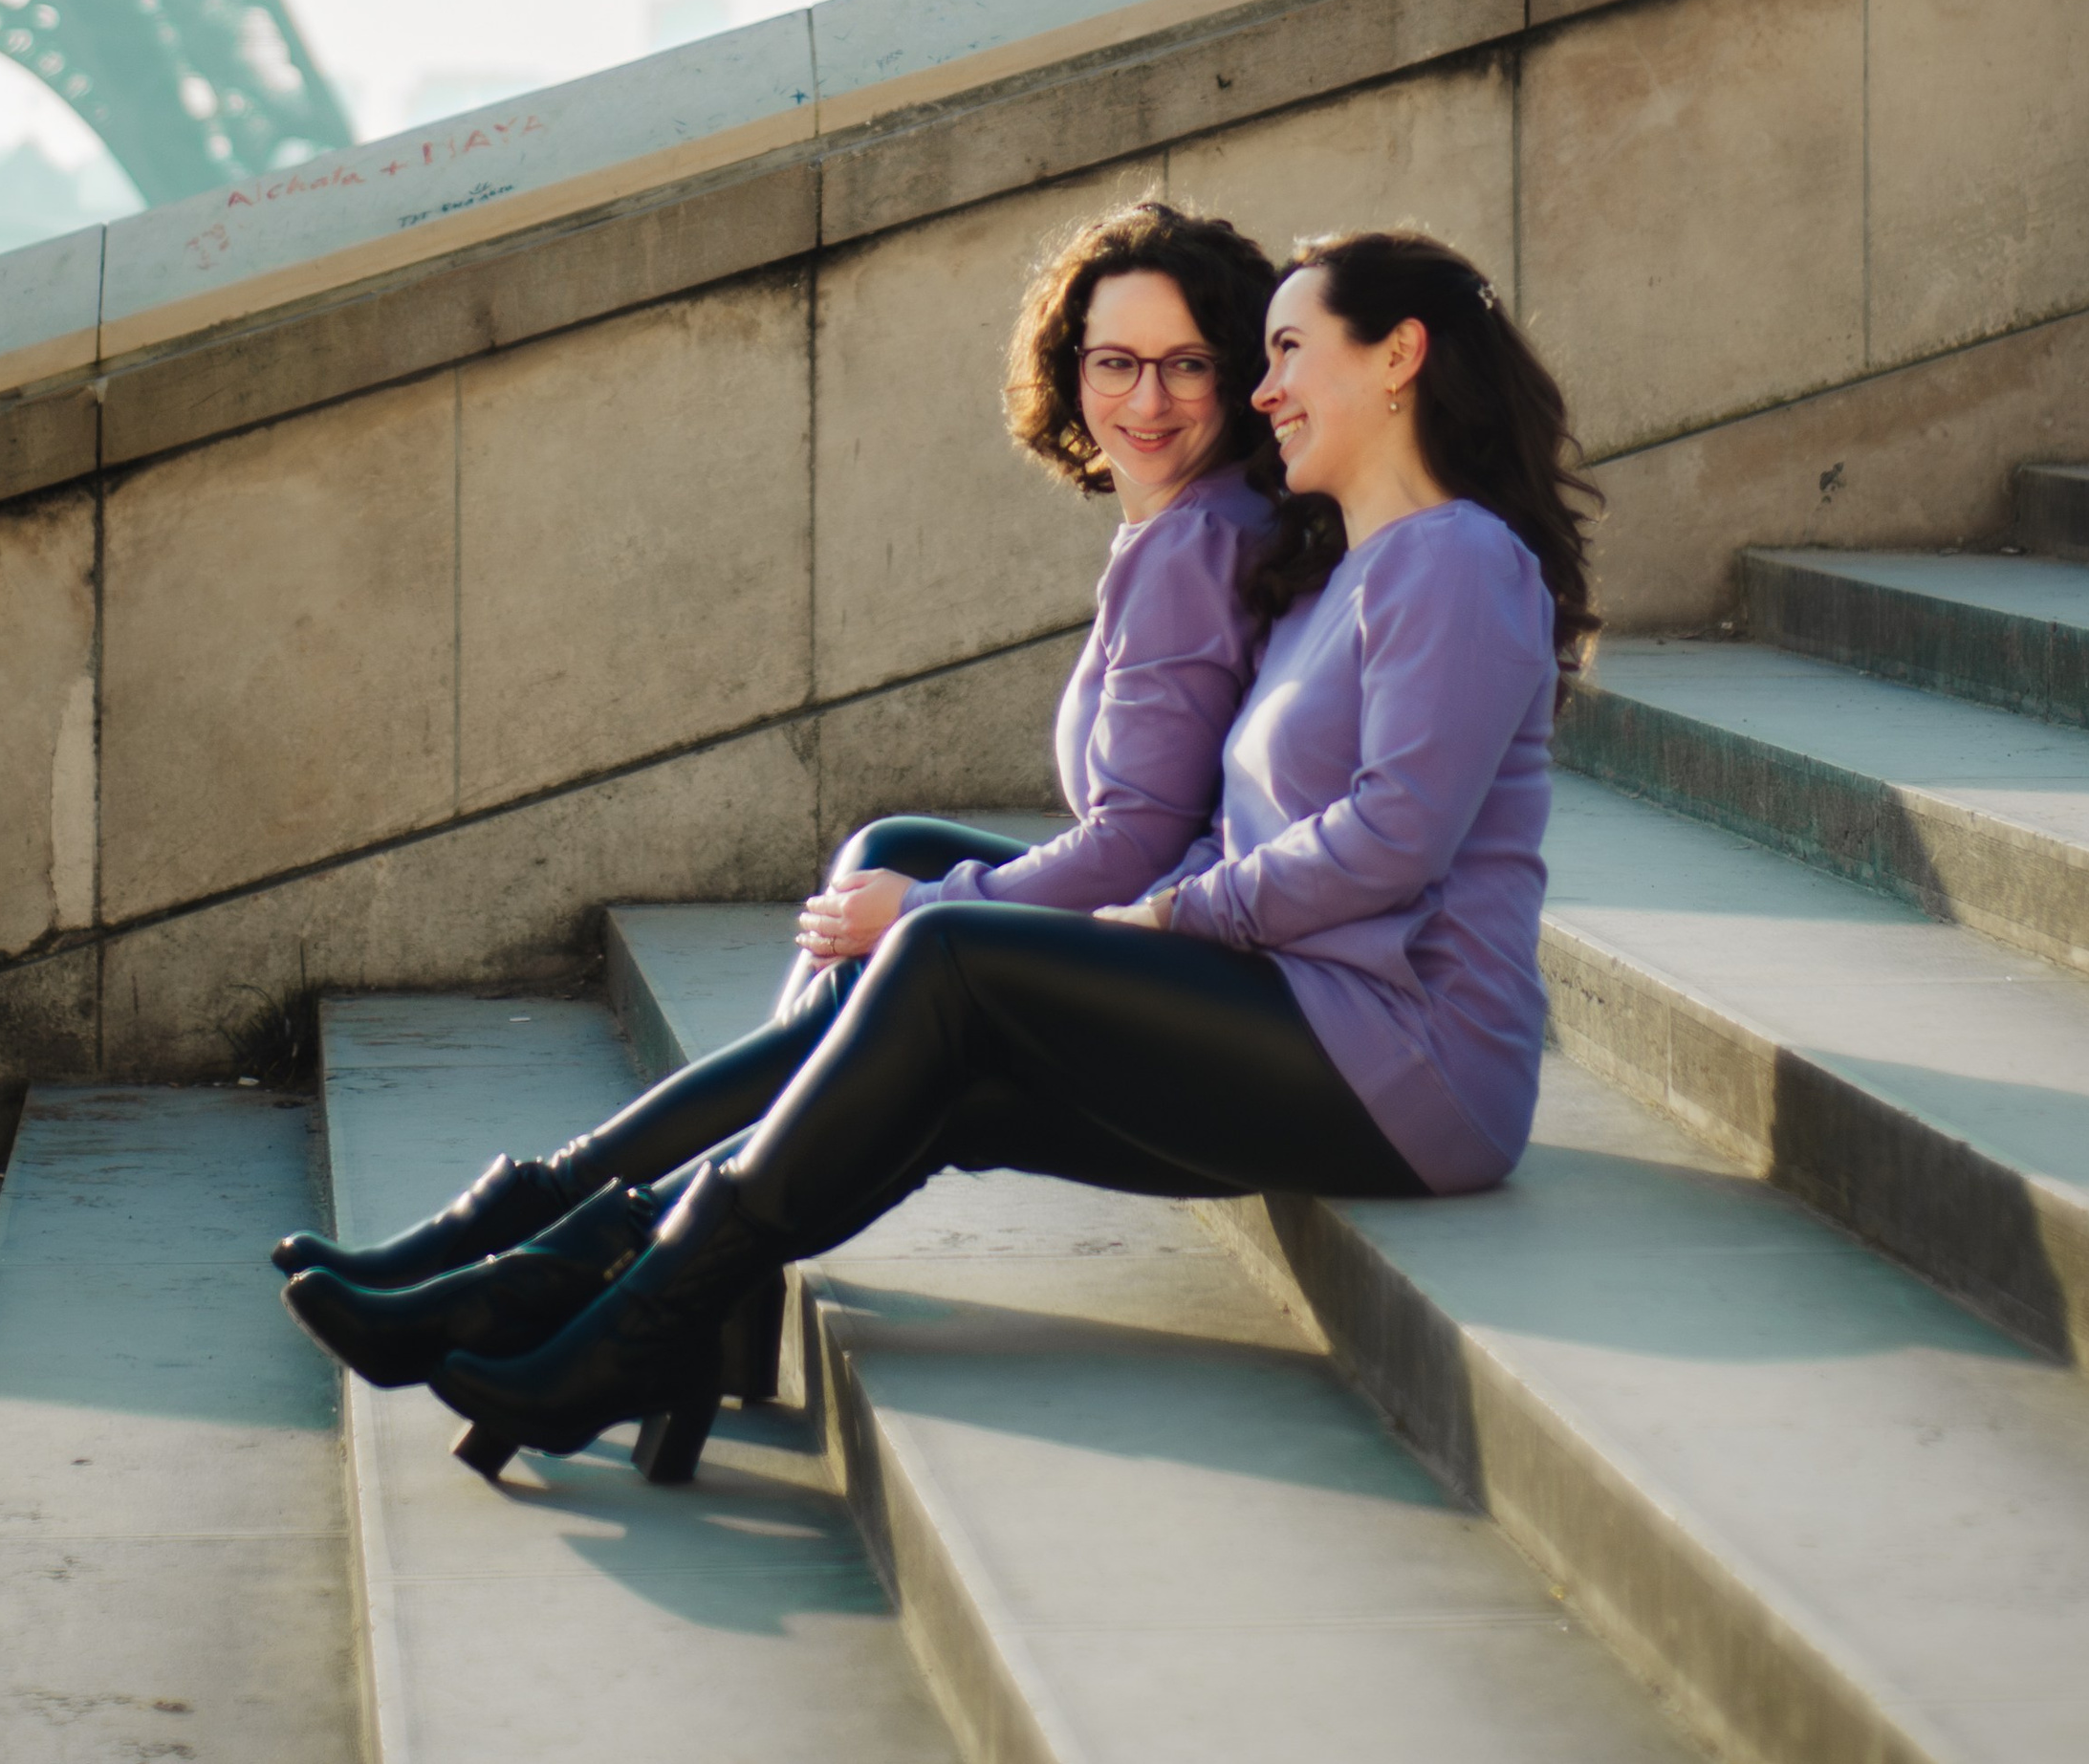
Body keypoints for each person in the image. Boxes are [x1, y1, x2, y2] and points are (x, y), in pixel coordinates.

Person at [286, 223, 1599, 1489]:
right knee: (942, 1082)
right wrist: (1156, 910)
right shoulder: (1343, 571)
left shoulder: (1462, 561)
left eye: (1286, 350)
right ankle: (650, 1301)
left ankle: (599, 1297)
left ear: (1398, 354)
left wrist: (1163, 920)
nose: (1264, 389)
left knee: (947, 948)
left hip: (1413, 1057)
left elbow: (1393, 841)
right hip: (1311, 1000)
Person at [272, 196, 1285, 1396]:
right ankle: (591, 1242)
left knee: (901, 926)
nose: (1147, 401)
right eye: (1115, 363)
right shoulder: (1187, 525)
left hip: (1183, 949)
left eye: (1186, 367)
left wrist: (926, 910)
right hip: (1167, 915)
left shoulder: (1197, 545)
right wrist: (912, 892)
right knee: (887, 851)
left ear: (1238, 377)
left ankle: (548, 1240)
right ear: (1070, 373)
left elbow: (1134, 845)